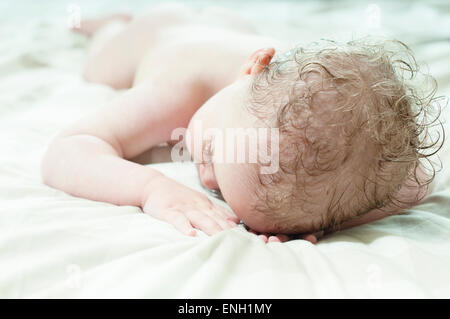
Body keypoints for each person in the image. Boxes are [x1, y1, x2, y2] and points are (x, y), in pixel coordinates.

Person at [41, 3, 440, 243]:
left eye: (231, 202)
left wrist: (324, 214)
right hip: (158, 35)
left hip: (233, 27)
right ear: (252, 68)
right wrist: (151, 188)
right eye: (214, 150)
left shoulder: (323, 109)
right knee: (100, 64)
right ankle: (107, 24)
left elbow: (417, 178)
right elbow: (68, 149)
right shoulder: (182, 86)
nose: (207, 179)